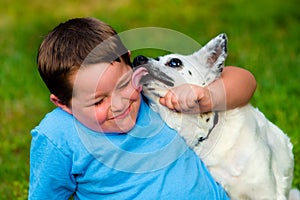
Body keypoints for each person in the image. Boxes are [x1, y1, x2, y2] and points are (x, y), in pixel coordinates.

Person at [28, 17, 256, 199]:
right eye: (98, 101)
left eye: (124, 84)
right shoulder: (58, 135)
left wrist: (207, 97)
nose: (119, 104)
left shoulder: (148, 90)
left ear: (129, 62)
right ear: (63, 103)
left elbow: (246, 81)